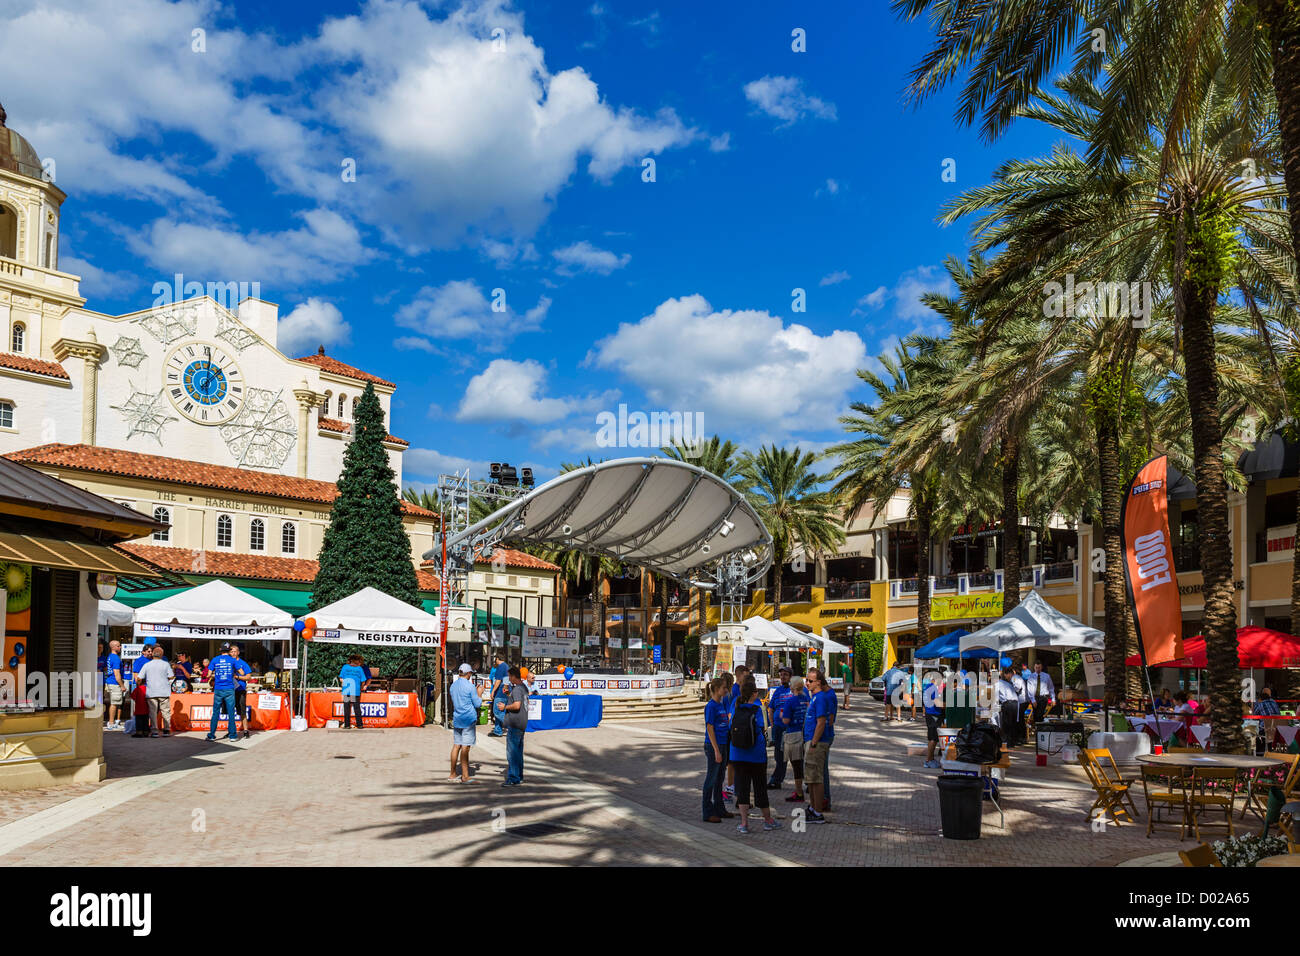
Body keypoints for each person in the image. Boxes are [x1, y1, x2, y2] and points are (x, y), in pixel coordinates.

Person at [729, 676, 780, 834]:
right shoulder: (759, 709)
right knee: (760, 788)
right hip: (756, 755)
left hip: (737, 754)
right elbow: (765, 727)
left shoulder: (736, 706)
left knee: (742, 789)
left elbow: (730, 725)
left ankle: (744, 824)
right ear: (754, 694)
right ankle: (767, 820)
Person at [803, 672, 834, 823]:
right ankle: (813, 807)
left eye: (810, 680)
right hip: (811, 740)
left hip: (817, 742)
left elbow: (822, 722)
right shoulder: (814, 697)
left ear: (819, 682)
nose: (807, 683)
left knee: (816, 777)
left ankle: (817, 811)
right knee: (811, 778)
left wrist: (814, 743)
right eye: (806, 680)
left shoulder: (820, 697)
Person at [702, 678, 732, 823]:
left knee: (719, 779)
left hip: (723, 744)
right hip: (715, 746)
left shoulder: (721, 704)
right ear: (717, 689)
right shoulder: (711, 706)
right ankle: (707, 811)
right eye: (724, 688)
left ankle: (719, 808)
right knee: (711, 779)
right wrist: (716, 750)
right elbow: (710, 727)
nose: (726, 690)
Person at [778, 675, 810, 803]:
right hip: (805, 734)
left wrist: (781, 714)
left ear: (793, 686)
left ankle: (799, 792)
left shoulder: (790, 701)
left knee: (796, 764)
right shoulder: (806, 699)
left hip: (793, 735)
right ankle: (804, 788)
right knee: (802, 763)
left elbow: (786, 720)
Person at [448, 663, 481, 783]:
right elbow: (477, 704)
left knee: (457, 745)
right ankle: (465, 776)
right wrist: (479, 693)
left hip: (457, 717)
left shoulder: (453, 686)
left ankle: (452, 773)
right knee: (466, 747)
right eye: (470, 673)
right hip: (468, 718)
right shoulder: (470, 686)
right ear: (468, 673)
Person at [499, 666, 529, 786]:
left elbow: (517, 705)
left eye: (509, 676)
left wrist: (504, 707)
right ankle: (519, 776)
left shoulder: (517, 690)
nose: (509, 679)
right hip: (521, 723)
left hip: (515, 723)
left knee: (512, 753)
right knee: (518, 752)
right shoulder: (523, 687)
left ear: (513, 676)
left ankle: (513, 778)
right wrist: (508, 695)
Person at [205, 643, 240, 742]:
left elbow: (208, 675)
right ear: (229, 650)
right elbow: (241, 672)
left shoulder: (215, 660)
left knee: (215, 712)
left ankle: (211, 735)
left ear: (220, 649)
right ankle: (232, 736)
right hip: (229, 689)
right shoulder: (233, 660)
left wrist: (216, 673)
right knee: (231, 713)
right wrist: (233, 672)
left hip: (218, 688)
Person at [766, 667, 793, 789]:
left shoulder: (797, 690)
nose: (783, 677)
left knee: (796, 757)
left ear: (791, 677)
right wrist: (772, 723)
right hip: (778, 728)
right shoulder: (777, 691)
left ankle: (807, 782)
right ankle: (776, 780)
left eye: (785, 675)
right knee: (779, 756)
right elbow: (771, 708)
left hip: (792, 729)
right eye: (781, 675)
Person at [139, 644, 174, 737]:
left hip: (151, 692)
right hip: (164, 691)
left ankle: (154, 731)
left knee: (152, 712)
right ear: (162, 655)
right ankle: (166, 730)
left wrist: (140, 684)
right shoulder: (166, 664)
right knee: (165, 711)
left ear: (153, 654)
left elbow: (139, 678)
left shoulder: (147, 665)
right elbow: (171, 676)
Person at [338, 654, 369, 729]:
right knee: (356, 708)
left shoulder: (345, 667)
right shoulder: (359, 668)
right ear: (357, 661)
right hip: (355, 690)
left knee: (347, 707)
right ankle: (360, 725)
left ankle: (347, 725)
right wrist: (361, 687)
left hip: (347, 690)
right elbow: (363, 681)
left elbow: (341, 679)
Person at [230, 644, 253, 738]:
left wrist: (237, 677)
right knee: (230, 711)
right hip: (230, 690)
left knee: (242, 711)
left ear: (238, 652)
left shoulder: (243, 663)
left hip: (240, 689)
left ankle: (246, 730)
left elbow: (249, 677)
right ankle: (231, 730)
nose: (233, 653)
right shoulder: (227, 662)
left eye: (235, 651)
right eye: (231, 651)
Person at [922, 670, 945, 769]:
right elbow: (938, 703)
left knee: (933, 738)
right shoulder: (933, 688)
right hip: (933, 715)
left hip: (930, 714)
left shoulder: (928, 687)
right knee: (933, 739)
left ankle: (930, 759)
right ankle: (928, 760)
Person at [996, 667, 1022, 746]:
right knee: (1013, 723)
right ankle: (1013, 741)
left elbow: (995, 697)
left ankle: (1007, 742)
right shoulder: (1007, 683)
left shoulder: (997, 684)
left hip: (1007, 704)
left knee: (1006, 724)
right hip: (1015, 703)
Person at [104, 639, 125, 730]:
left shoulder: (110, 656)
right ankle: (111, 722)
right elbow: (117, 674)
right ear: (113, 647)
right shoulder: (116, 658)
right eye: (118, 646)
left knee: (114, 703)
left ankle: (111, 722)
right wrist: (122, 685)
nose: (120, 647)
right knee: (114, 703)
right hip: (115, 683)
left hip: (110, 682)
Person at [488, 652, 509, 738]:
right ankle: (497, 731)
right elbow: (506, 680)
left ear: (497, 659)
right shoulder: (506, 666)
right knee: (500, 711)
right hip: (504, 691)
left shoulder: (501, 667)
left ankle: (513, 726)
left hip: (501, 692)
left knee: (497, 711)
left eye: (495, 659)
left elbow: (498, 680)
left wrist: (493, 691)